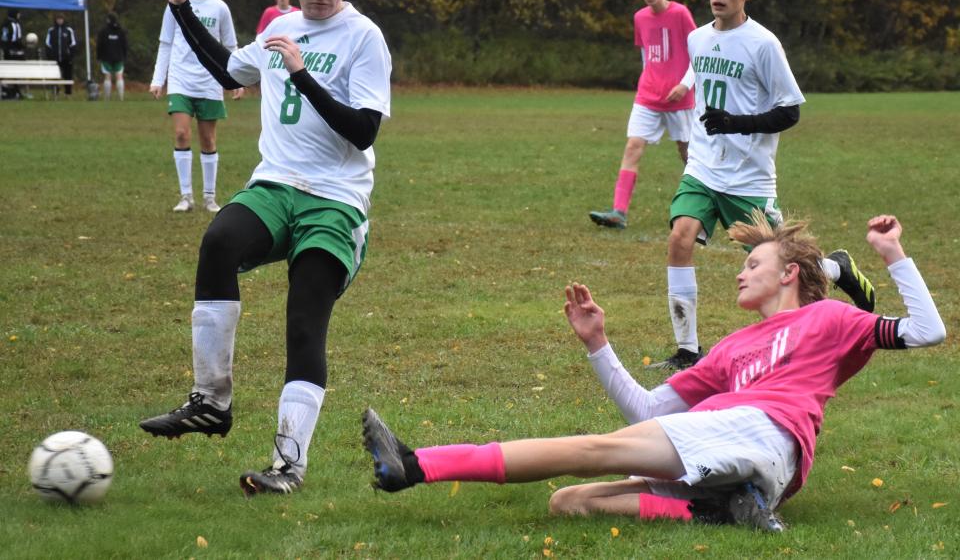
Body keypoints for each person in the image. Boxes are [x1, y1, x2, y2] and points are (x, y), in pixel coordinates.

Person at [362, 213, 945, 531]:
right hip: (759, 469)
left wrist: (893, 255)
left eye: (752, 263)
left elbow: (926, 330)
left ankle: (416, 466)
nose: (740, 274)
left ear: (790, 273)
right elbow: (647, 412)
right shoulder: (730, 350)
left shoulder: (828, 317)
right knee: (571, 501)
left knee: (592, 449)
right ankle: (720, 510)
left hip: (759, 435)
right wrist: (598, 345)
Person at [139, 0, 392, 498]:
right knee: (219, 241)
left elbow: (363, 131)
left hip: (335, 200)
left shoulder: (363, 37)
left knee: (304, 323)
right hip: (275, 185)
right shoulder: (281, 26)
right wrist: (178, 9)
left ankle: (287, 465)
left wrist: (302, 76)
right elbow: (228, 66)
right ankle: (211, 401)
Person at [653, 0, 875, 370]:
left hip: (748, 178)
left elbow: (790, 111)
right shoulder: (697, 38)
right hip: (703, 168)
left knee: (791, 266)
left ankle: (836, 268)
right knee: (680, 237)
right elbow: (703, 84)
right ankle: (687, 350)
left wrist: (735, 123)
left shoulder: (764, 43)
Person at [589, 0, 696, 230]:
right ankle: (618, 212)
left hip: (679, 99)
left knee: (689, 154)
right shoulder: (640, 17)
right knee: (633, 146)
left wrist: (684, 85)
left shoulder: (680, 13)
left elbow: (699, 52)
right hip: (648, 96)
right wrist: (649, 79)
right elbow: (647, 54)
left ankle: (700, 209)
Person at [149, 0, 243, 213]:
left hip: (210, 81)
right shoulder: (175, 5)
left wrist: (237, 80)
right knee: (181, 134)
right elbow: (166, 43)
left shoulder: (220, 8)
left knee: (209, 140)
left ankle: (209, 197)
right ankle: (186, 196)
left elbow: (230, 45)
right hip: (180, 79)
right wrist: (159, 79)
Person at [96, 12, 128, 101]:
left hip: (106, 58)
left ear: (108, 20)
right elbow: (125, 45)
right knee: (119, 76)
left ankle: (107, 99)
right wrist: (124, 56)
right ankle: (121, 98)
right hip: (119, 57)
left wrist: (99, 56)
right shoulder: (121, 30)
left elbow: (99, 45)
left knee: (107, 76)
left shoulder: (103, 31)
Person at [44, 13, 78, 95]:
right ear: (56, 20)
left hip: (66, 58)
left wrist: (71, 56)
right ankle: (55, 91)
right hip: (54, 58)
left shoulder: (68, 30)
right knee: (54, 75)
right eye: (58, 19)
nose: (59, 21)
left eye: (61, 19)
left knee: (68, 75)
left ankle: (68, 92)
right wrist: (50, 55)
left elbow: (73, 44)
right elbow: (47, 44)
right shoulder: (51, 30)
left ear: (64, 20)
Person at [1, 9, 26, 99]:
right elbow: (16, 39)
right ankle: (15, 92)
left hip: (6, 51)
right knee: (16, 72)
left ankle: (9, 91)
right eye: (18, 14)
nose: (19, 15)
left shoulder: (4, 24)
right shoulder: (14, 24)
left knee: (8, 72)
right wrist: (23, 47)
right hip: (14, 53)